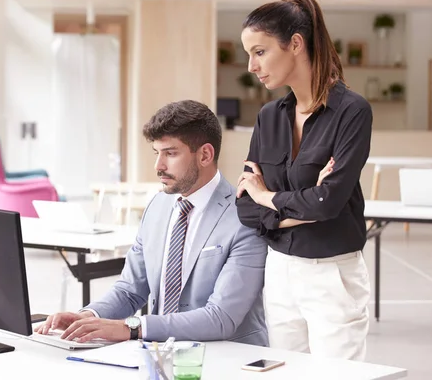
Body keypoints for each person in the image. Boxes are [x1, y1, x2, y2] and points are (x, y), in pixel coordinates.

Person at [36, 100, 269, 346]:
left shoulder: (245, 217)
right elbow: (130, 290)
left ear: (205, 155)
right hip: (160, 351)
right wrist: (87, 317)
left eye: (170, 153)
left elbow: (221, 318)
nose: (158, 166)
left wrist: (132, 328)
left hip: (229, 358)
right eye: (156, 153)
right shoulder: (158, 206)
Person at [235, 0, 372, 361]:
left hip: (331, 274)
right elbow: (245, 208)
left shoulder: (352, 112)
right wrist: (302, 202)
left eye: (260, 52)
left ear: (295, 44)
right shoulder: (268, 117)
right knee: (285, 369)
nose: (251, 66)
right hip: (279, 270)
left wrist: (269, 198)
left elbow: (329, 202)